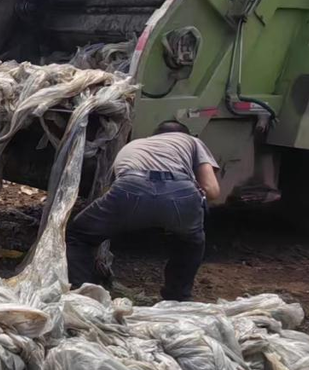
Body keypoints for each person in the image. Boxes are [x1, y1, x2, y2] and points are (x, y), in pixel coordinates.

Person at [66, 120, 221, 301]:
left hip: (130, 187)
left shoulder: (134, 145)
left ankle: (86, 296)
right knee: (191, 242)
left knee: (78, 235)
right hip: (180, 192)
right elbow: (212, 190)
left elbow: (113, 190)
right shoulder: (192, 141)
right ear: (185, 134)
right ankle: (178, 298)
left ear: (154, 135)